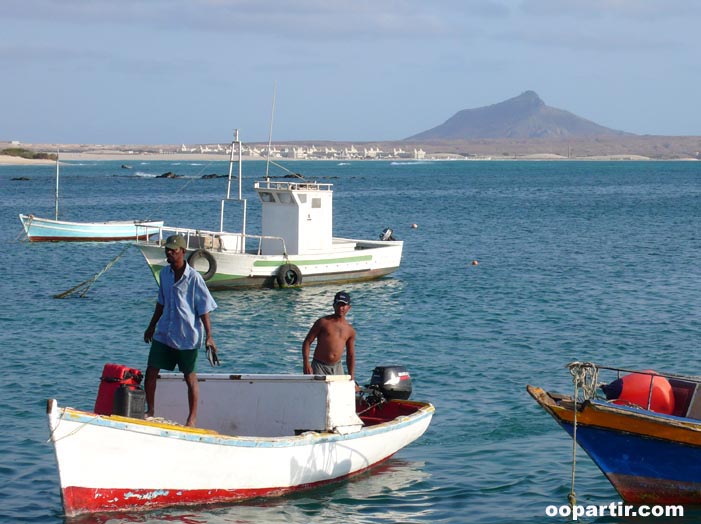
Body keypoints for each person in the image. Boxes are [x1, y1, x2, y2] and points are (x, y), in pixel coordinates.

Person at [143, 234, 217, 427]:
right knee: (150, 371)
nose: (168, 253)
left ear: (182, 252)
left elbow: (204, 309)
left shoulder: (194, 278)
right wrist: (151, 326)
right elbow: (161, 302)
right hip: (165, 332)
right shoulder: (164, 274)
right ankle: (150, 410)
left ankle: (191, 419)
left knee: (189, 377)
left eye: (173, 250)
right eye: (167, 250)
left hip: (187, 336)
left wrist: (209, 336)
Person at [302, 291, 356, 382]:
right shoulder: (323, 322)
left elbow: (350, 355)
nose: (341, 308)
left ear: (349, 307)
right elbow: (307, 342)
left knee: (339, 394)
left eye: (343, 305)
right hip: (319, 365)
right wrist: (306, 363)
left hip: (337, 366)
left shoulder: (350, 330)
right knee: (318, 393)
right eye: (338, 304)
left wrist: (352, 377)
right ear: (334, 305)